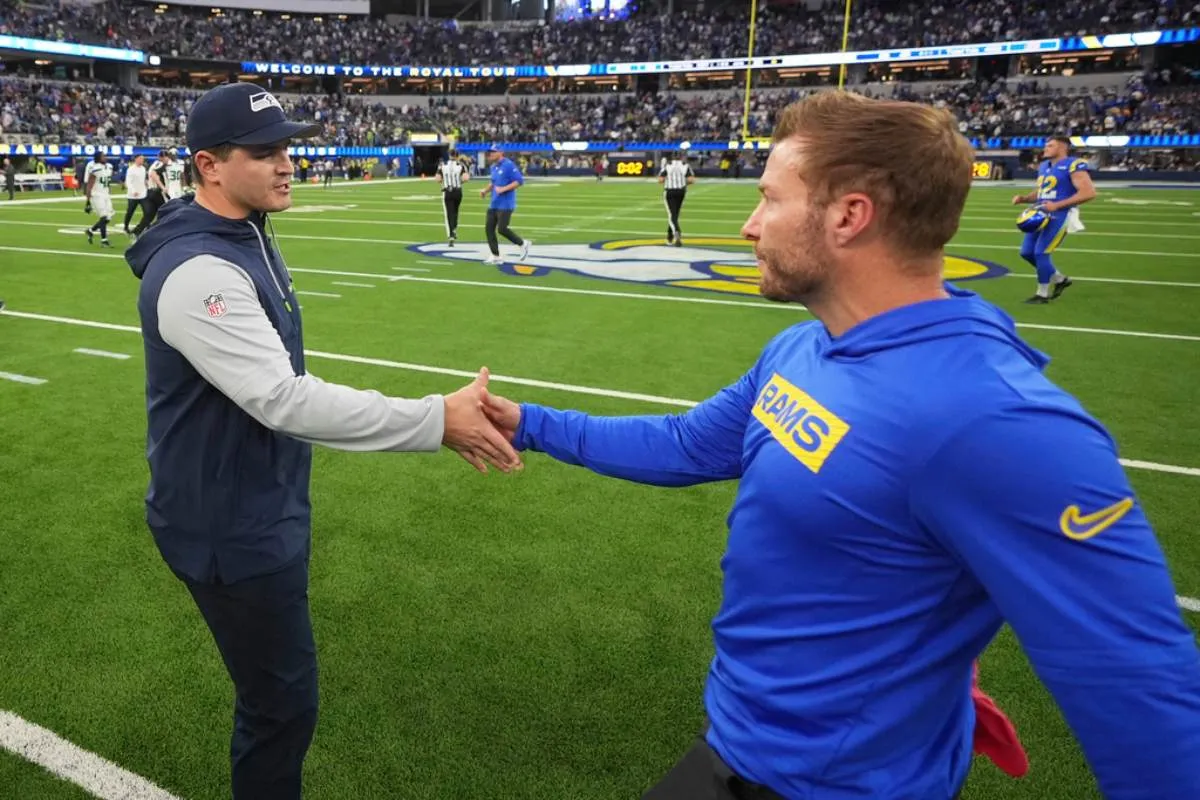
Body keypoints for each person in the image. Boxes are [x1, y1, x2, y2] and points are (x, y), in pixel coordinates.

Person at [481, 91, 1200, 800]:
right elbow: (684, 444)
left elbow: (1142, 692)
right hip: (737, 748)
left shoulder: (996, 422)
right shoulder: (805, 346)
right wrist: (531, 424)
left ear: (850, 215)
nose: (748, 226)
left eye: (769, 199)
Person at [124, 82, 521, 800]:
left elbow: (276, 377)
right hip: (228, 526)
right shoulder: (198, 270)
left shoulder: (242, 236)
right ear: (209, 166)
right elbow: (281, 398)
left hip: (254, 504)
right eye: (266, 151)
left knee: (280, 695)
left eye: (288, 148)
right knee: (281, 705)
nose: (287, 164)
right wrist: (437, 419)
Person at [1011, 135, 1096, 304]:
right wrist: (1024, 198)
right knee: (1026, 252)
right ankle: (1060, 279)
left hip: (1061, 213)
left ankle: (1042, 294)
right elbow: (1042, 192)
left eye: (1050, 145)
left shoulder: (1073, 164)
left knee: (1041, 252)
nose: (1046, 148)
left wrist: (1058, 206)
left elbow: (1088, 193)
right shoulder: (1044, 166)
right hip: (1042, 213)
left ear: (1062, 147)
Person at [480, 145, 530, 265]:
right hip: (494, 203)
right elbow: (493, 182)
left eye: (493, 152)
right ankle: (495, 255)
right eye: (490, 152)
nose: (490, 154)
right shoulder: (493, 167)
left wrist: (503, 189)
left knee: (502, 229)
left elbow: (519, 181)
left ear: (501, 152)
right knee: (489, 229)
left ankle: (522, 243)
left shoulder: (508, 165)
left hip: (506, 204)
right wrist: (485, 191)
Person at [658, 152, 695, 247]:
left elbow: (660, 180)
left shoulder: (667, 165)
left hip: (670, 191)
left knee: (672, 215)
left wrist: (670, 179)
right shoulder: (685, 165)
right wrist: (681, 182)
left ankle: (676, 232)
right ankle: (669, 237)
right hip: (681, 192)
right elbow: (691, 180)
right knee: (674, 215)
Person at [83, 151, 114, 247]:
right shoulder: (95, 168)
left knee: (108, 218)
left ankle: (91, 230)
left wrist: (109, 192)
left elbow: (107, 182)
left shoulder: (109, 167)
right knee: (104, 217)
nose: (105, 157)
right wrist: (88, 201)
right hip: (96, 195)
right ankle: (104, 240)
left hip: (105, 194)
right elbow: (89, 184)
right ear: (98, 158)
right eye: (103, 156)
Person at [437, 152, 468, 246]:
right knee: (455, 211)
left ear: (449, 156)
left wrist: (444, 182)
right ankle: (454, 228)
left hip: (448, 191)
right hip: (458, 191)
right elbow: (466, 178)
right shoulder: (461, 165)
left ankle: (451, 234)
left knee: (449, 213)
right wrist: (459, 182)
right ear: (457, 156)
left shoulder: (442, 165)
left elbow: (437, 179)